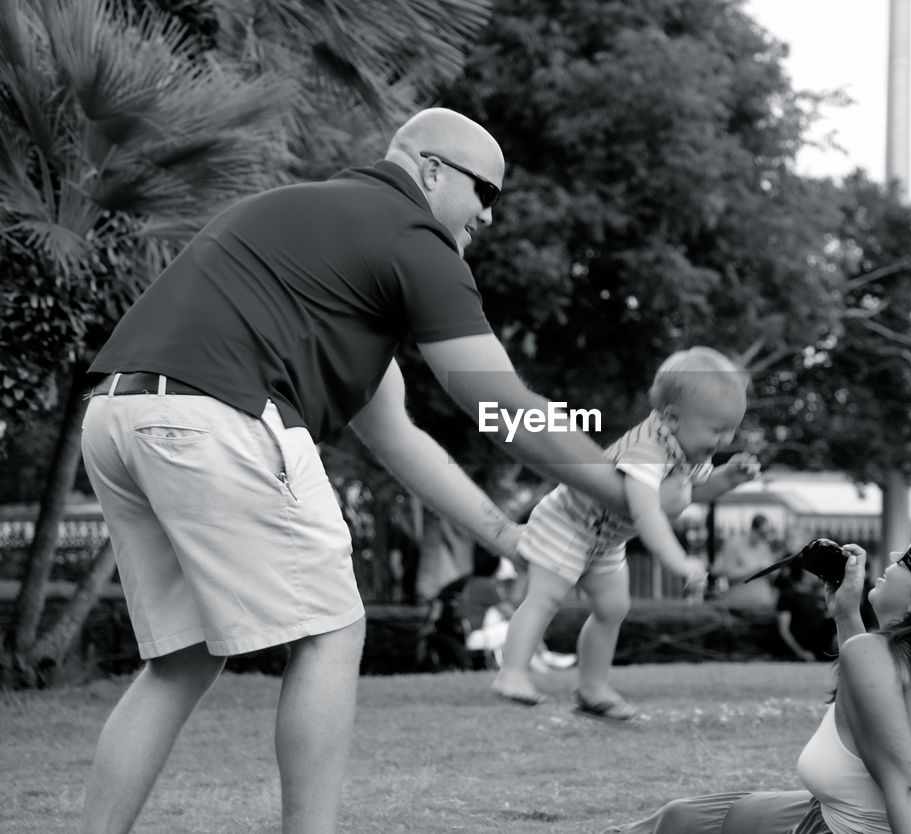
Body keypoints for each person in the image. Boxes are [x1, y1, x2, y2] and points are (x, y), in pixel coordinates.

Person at [77, 107, 633, 834]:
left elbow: (401, 440)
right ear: (431, 169)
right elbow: (495, 404)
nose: (489, 218)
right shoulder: (414, 234)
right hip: (219, 413)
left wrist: (511, 539)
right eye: (485, 193)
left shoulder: (314, 231)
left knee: (180, 662)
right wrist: (619, 485)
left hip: (118, 417)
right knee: (331, 632)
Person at [606, 533, 911, 834]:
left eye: (908, 558)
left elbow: (907, 793)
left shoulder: (874, 657)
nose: (894, 554)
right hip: (831, 816)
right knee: (683, 816)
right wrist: (846, 614)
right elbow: (877, 706)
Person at [492, 347, 761, 717]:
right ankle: (513, 673)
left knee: (613, 607)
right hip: (568, 523)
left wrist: (728, 479)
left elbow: (693, 492)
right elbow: (647, 511)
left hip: (605, 539)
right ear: (671, 417)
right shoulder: (647, 449)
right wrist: (677, 560)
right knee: (546, 597)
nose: (726, 440)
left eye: (732, 429)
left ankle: (592, 689)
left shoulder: (686, 450)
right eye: (717, 430)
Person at [716, 514, 783, 608]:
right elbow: (728, 575)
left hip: (763, 606)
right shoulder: (733, 545)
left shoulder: (764, 547)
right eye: (762, 534)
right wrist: (757, 567)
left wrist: (774, 571)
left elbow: (772, 578)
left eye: (767, 534)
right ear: (753, 529)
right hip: (739, 607)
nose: (764, 538)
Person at [775, 562, 836, 662]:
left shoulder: (817, 595)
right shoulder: (788, 595)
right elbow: (783, 630)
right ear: (804, 573)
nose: (818, 575)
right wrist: (800, 652)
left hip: (823, 649)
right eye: (814, 572)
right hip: (805, 649)